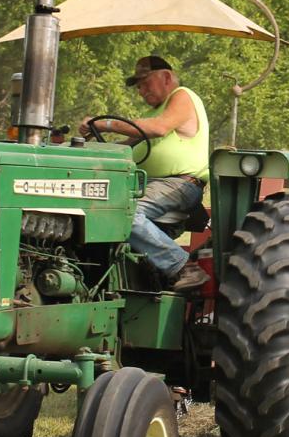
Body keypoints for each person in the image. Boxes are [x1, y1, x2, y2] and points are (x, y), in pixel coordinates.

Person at [79, 55, 210, 292]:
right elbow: (121, 147)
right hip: (148, 186)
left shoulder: (182, 96)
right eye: (138, 86)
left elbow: (157, 128)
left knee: (123, 212)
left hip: (178, 186)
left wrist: (105, 123)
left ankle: (183, 266)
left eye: (144, 83)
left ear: (166, 77)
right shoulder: (160, 112)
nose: (141, 91)